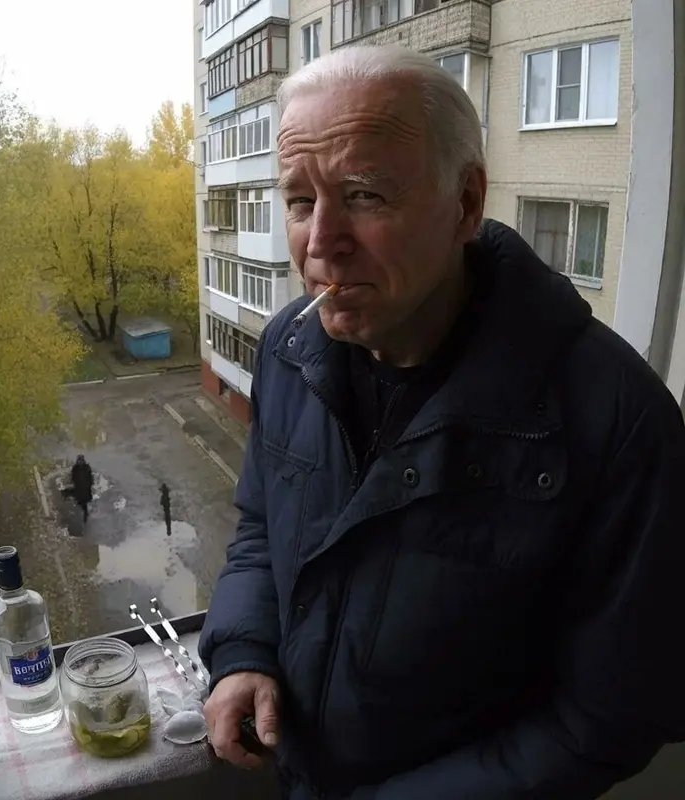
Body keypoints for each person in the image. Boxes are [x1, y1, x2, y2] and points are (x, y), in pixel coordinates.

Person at [198, 45, 685, 800]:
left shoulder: (616, 420)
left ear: (464, 203)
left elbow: (608, 717)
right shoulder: (289, 351)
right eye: (299, 201)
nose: (320, 243)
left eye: (363, 195)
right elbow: (265, 528)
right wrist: (243, 652)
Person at [70, 454, 94, 523]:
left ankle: (84, 518)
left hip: (82, 490)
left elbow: (73, 479)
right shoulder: (86, 467)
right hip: (83, 490)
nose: (79, 462)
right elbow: (91, 479)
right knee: (83, 505)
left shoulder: (76, 468)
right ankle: (85, 518)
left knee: (82, 504)